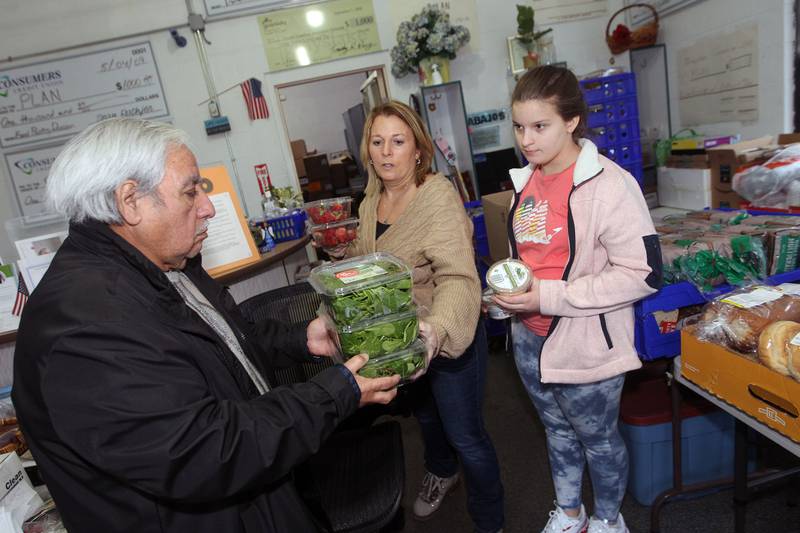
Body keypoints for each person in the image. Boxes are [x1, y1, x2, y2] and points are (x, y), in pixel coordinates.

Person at [11, 118, 401, 533]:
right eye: (190, 190)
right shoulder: (88, 324)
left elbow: (219, 341)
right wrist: (333, 394)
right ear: (130, 201)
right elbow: (206, 450)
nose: (208, 206)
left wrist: (299, 338)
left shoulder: (163, 262)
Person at [492, 65, 662, 533]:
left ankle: (609, 520)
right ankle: (571, 514)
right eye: (520, 126)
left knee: (599, 441)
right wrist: (511, 292)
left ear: (571, 122)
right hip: (530, 338)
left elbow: (643, 274)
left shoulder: (610, 185)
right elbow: (532, 254)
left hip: (587, 343)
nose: (526, 139)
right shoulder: (524, 182)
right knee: (558, 432)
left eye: (540, 126)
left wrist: (546, 295)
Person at [324, 100, 504, 533]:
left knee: (467, 436)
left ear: (418, 150)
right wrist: (341, 255)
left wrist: (437, 332)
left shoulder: (437, 197)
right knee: (425, 417)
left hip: (447, 329)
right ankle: (441, 471)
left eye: (398, 141)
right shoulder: (370, 200)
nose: (387, 152)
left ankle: (490, 520)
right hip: (399, 341)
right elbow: (371, 261)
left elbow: (460, 276)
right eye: (378, 141)